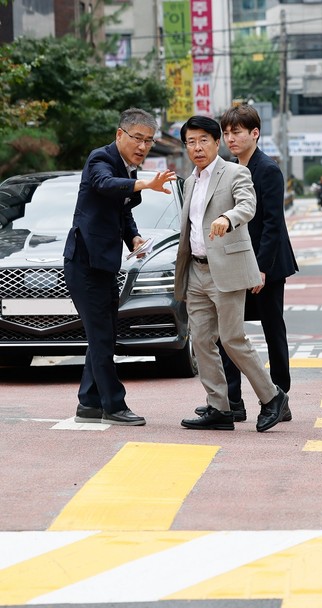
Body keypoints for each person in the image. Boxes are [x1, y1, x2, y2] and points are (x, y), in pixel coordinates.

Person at [174, 115, 290, 432]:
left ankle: (272, 398)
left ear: (216, 143)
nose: (196, 148)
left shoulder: (236, 172)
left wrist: (228, 217)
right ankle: (219, 407)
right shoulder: (189, 182)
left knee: (232, 339)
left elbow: (248, 206)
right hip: (195, 271)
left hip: (225, 270)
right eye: (190, 142)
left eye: (203, 141)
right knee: (200, 340)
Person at [64, 108, 177, 426]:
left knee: (104, 334)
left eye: (148, 141)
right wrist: (144, 184)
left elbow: (122, 213)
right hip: (84, 264)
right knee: (101, 336)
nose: (142, 146)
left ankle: (89, 402)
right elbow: (104, 185)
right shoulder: (100, 159)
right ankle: (114, 405)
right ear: (119, 135)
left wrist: (136, 238)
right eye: (137, 138)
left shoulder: (127, 171)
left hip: (105, 264)